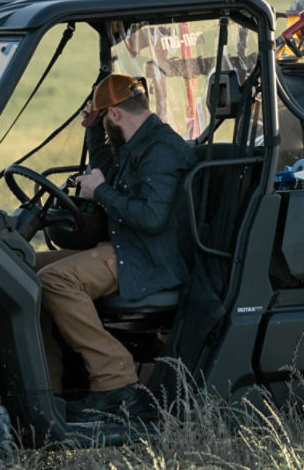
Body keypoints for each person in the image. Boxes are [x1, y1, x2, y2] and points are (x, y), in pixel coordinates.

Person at [35, 72, 196, 421]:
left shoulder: (162, 150)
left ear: (117, 115)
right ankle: (48, 384)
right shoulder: (138, 142)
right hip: (127, 246)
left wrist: (101, 193)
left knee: (56, 280)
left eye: (105, 120)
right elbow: (109, 167)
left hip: (149, 257)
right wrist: (94, 129)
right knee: (25, 268)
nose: (107, 129)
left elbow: (152, 217)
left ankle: (115, 377)